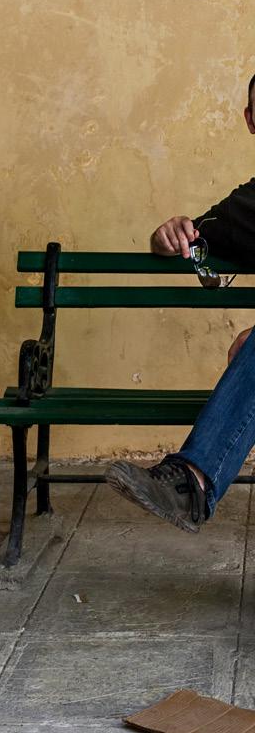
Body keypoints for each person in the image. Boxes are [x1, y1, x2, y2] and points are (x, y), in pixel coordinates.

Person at [105, 74, 255, 532]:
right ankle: (191, 481)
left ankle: (191, 482)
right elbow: (189, 240)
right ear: (251, 120)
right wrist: (167, 234)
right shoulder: (248, 206)